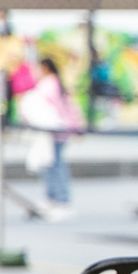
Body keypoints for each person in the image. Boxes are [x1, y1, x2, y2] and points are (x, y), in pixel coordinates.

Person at [18, 57, 84, 221]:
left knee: (54, 166)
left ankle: (60, 199)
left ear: (45, 67)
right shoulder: (56, 82)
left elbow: (41, 106)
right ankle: (54, 198)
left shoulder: (48, 84)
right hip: (59, 129)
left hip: (53, 130)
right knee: (54, 164)